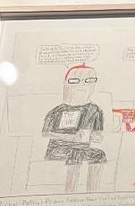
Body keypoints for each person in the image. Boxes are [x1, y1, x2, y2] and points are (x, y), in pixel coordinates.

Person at [41, 63, 106, 193]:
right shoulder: (57, 111)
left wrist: (88, 136)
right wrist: (71, 137)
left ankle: (93, 192)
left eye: (89, 80)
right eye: (75, 81)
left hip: (82, 148)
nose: (82, 85)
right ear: (67, 84)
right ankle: (70, 193)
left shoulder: (94, 110)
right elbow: (46, 133)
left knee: (99, 155)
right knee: (75, 155)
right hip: (57, 149)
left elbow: (99, 135)